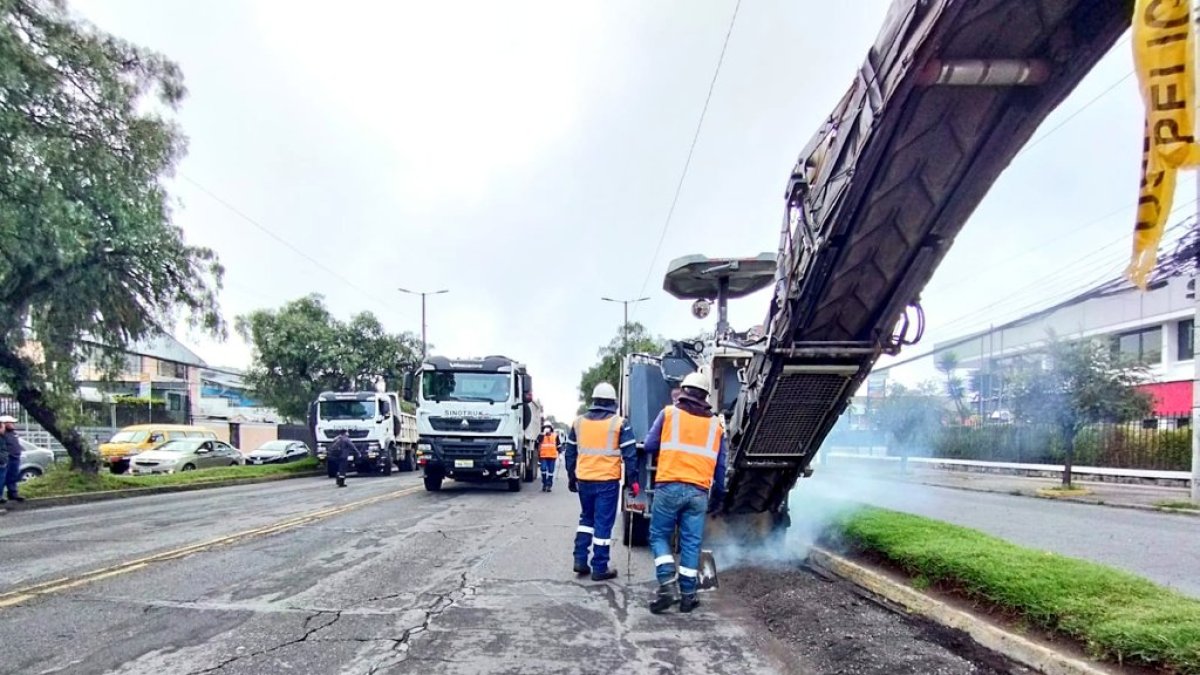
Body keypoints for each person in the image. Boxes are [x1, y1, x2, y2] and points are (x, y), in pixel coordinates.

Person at [643, 372, 726, 614]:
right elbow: (720, 468)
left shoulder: (668, 414)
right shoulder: (716, 425)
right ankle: (688, 596)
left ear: (683, 391)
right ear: (705, 396)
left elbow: (649, 444)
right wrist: (718, 497)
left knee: (659, 536)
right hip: (698, 492)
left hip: (668, 486)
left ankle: (668, 585)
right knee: (691, 543)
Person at [563, 382, 637, 581]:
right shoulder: (620, 423)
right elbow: (630, 455)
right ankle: (600, 567)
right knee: (603, 523)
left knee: (586, 519)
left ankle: (580, 560)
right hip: (607, 481)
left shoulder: (578, 423)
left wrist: (572, 477)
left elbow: (570, 453)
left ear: (594, 401)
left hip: (584, 479)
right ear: (613, 402)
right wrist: (633, 481)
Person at [1, 416, 23, 503]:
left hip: (15, 457)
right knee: (3, 477)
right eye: (11, 422)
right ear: (4, 423)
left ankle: (13, 494)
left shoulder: (13, 433)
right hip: (7, 458)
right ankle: (1, 496)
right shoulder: (2, 433)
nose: (13, 424)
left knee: (13, 476)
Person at [536, 423, 560, 492]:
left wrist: (560, 453)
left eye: (548, 427)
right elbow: (537, 443)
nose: (547, 428)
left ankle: (549, 485)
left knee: (551, 471)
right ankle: (544, 483)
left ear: (551, 428)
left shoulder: (555, 435)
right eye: (545, 427)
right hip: (543, 456)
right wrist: (543, 434)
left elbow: (558, 445)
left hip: (552, 456)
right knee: (543, 469)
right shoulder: (541, 435)